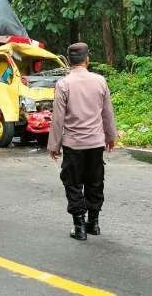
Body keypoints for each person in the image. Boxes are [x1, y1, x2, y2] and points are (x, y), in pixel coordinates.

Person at [48, 42, 117, 241]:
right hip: (96, 143)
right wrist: (110, 137)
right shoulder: (100, 81)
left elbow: (58, 119)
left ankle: (79, 227)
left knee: (73, 183)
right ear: (87, 59)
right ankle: (93, 223)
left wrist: (54, 145)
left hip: (73, 144)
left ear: (69, 61)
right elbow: (107, 113)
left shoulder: (64, 84)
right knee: (95, 182)